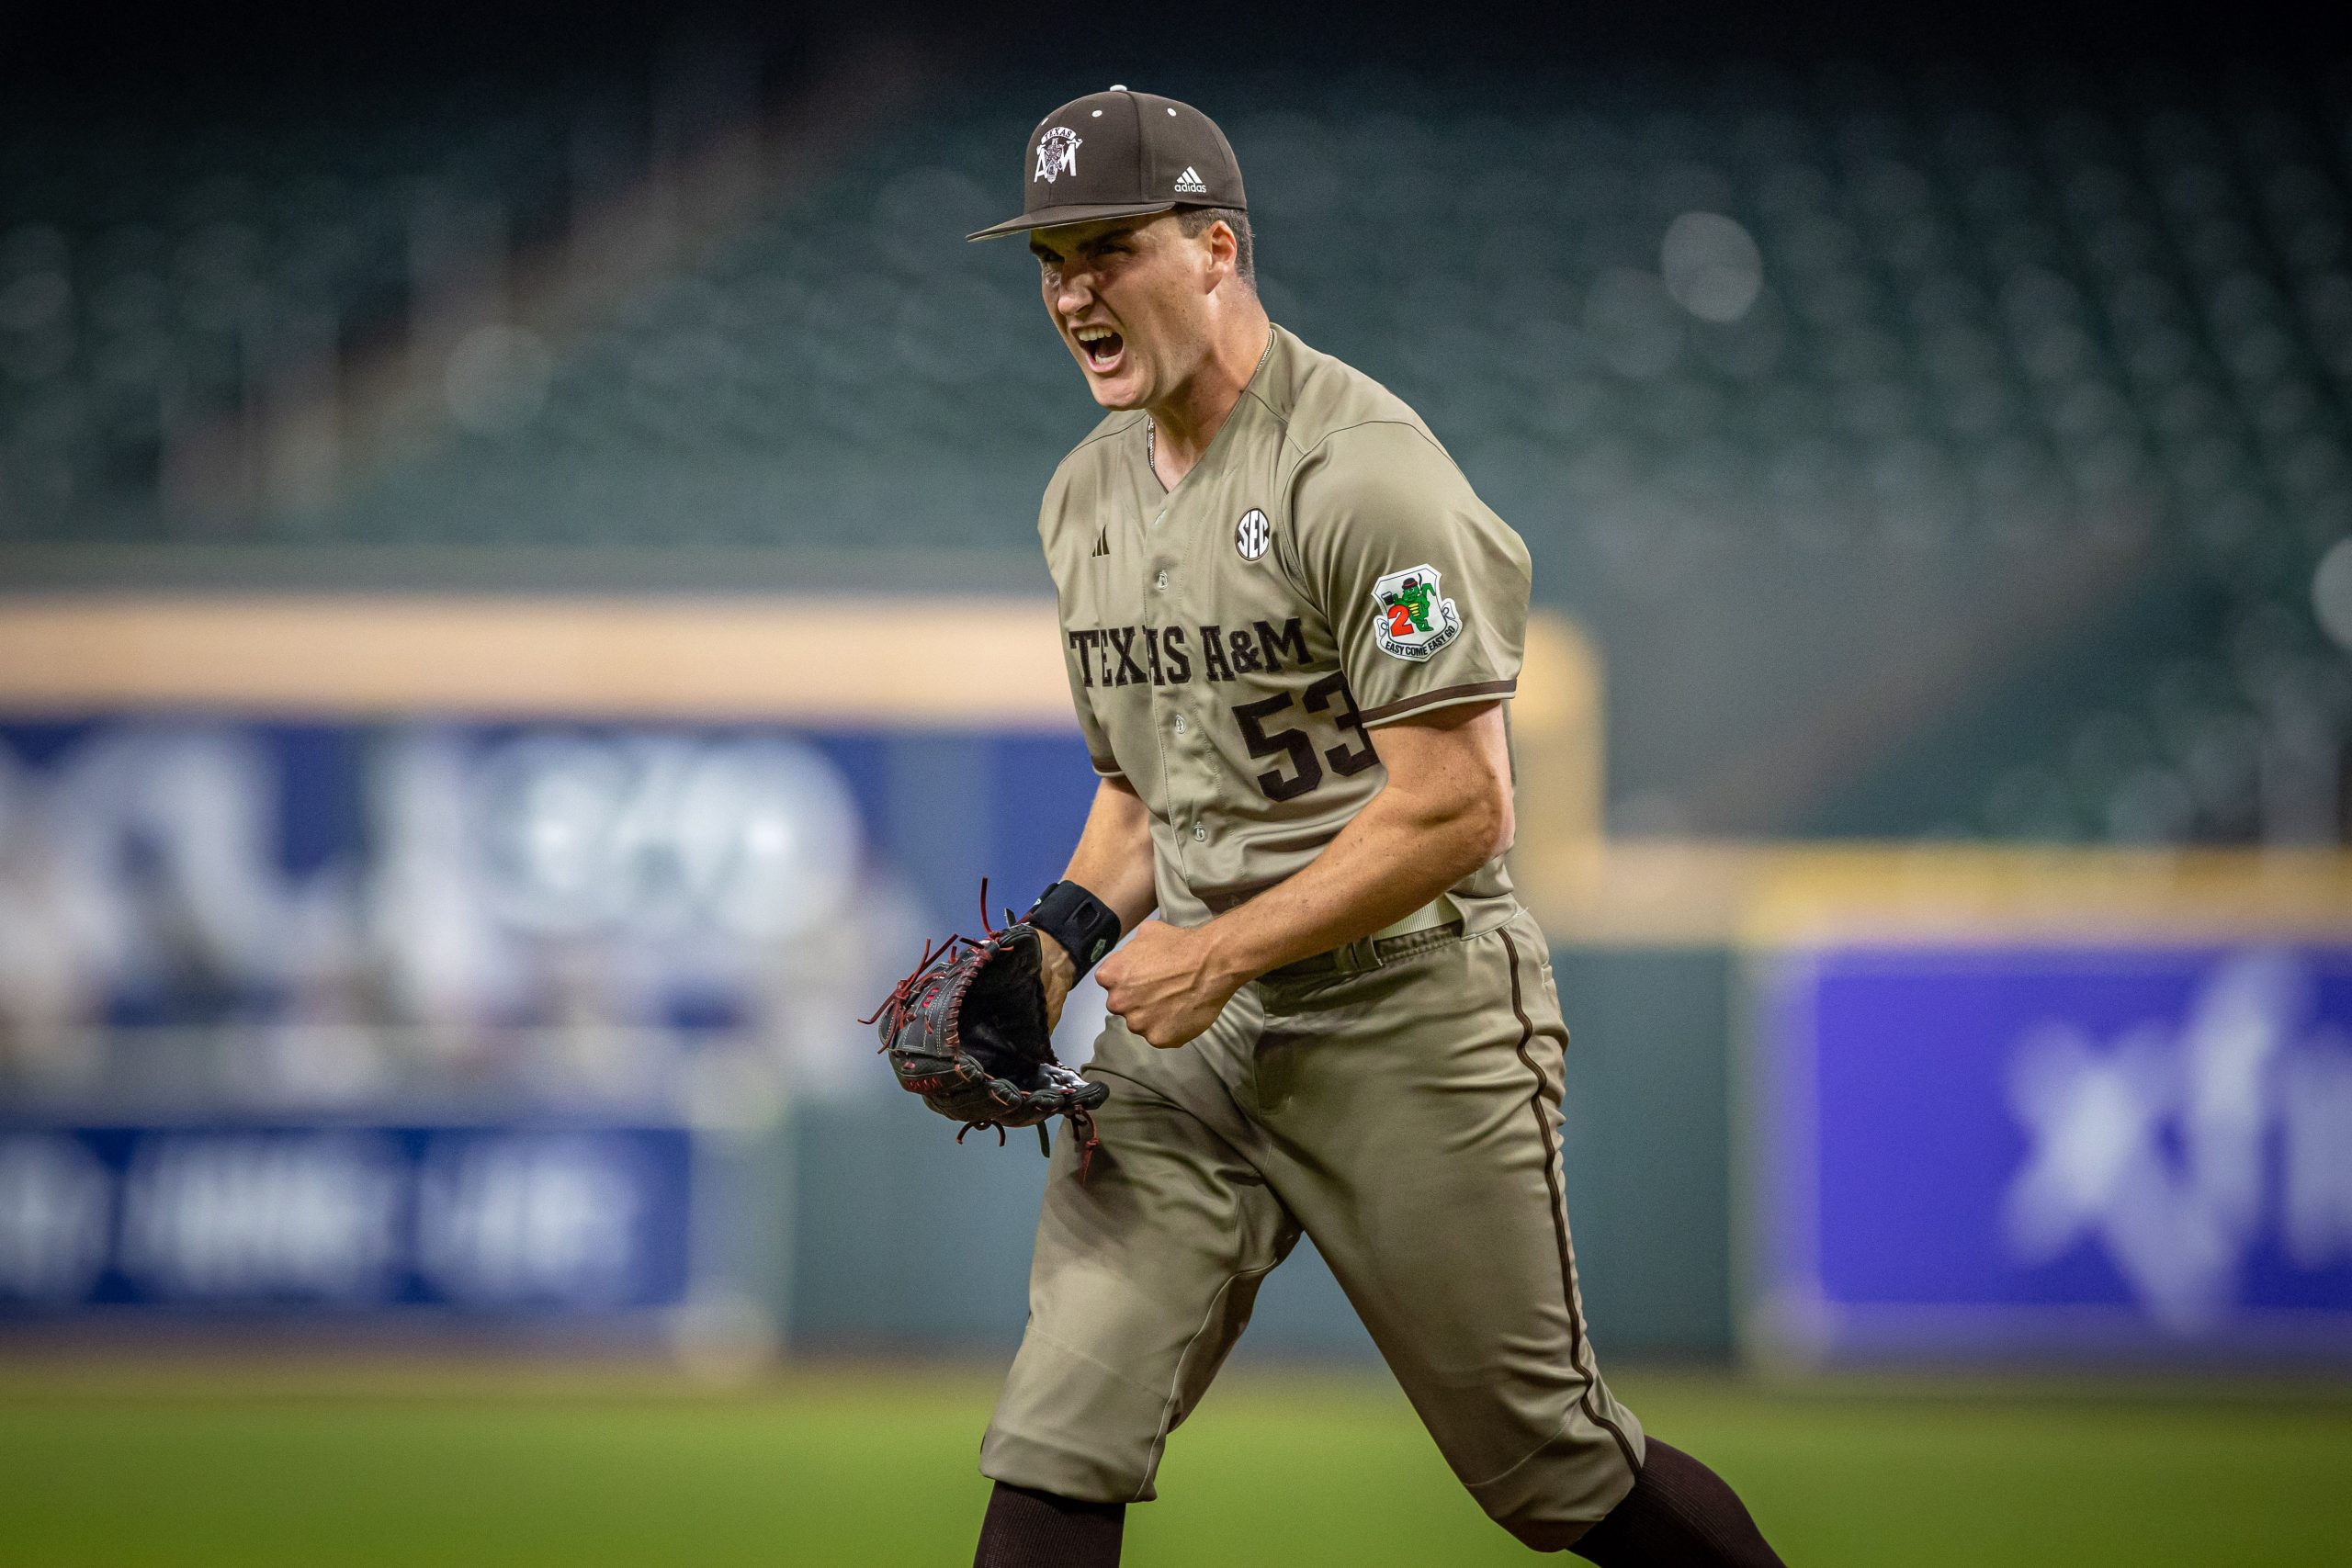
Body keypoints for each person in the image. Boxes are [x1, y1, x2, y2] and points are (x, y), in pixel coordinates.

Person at [964, 86, 1787, 1567]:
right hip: (1194, 1048)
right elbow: (1149, 794)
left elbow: (1462, 806)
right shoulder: (1081, 497)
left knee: (1554, 1470)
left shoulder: (1364, 473)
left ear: (1214, 247)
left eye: (1108, 246)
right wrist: (1053, 949)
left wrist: (1215, 960)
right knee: (1055, 1442)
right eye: (1048, 259)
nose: (1072, 288)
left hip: (1407, 1009)